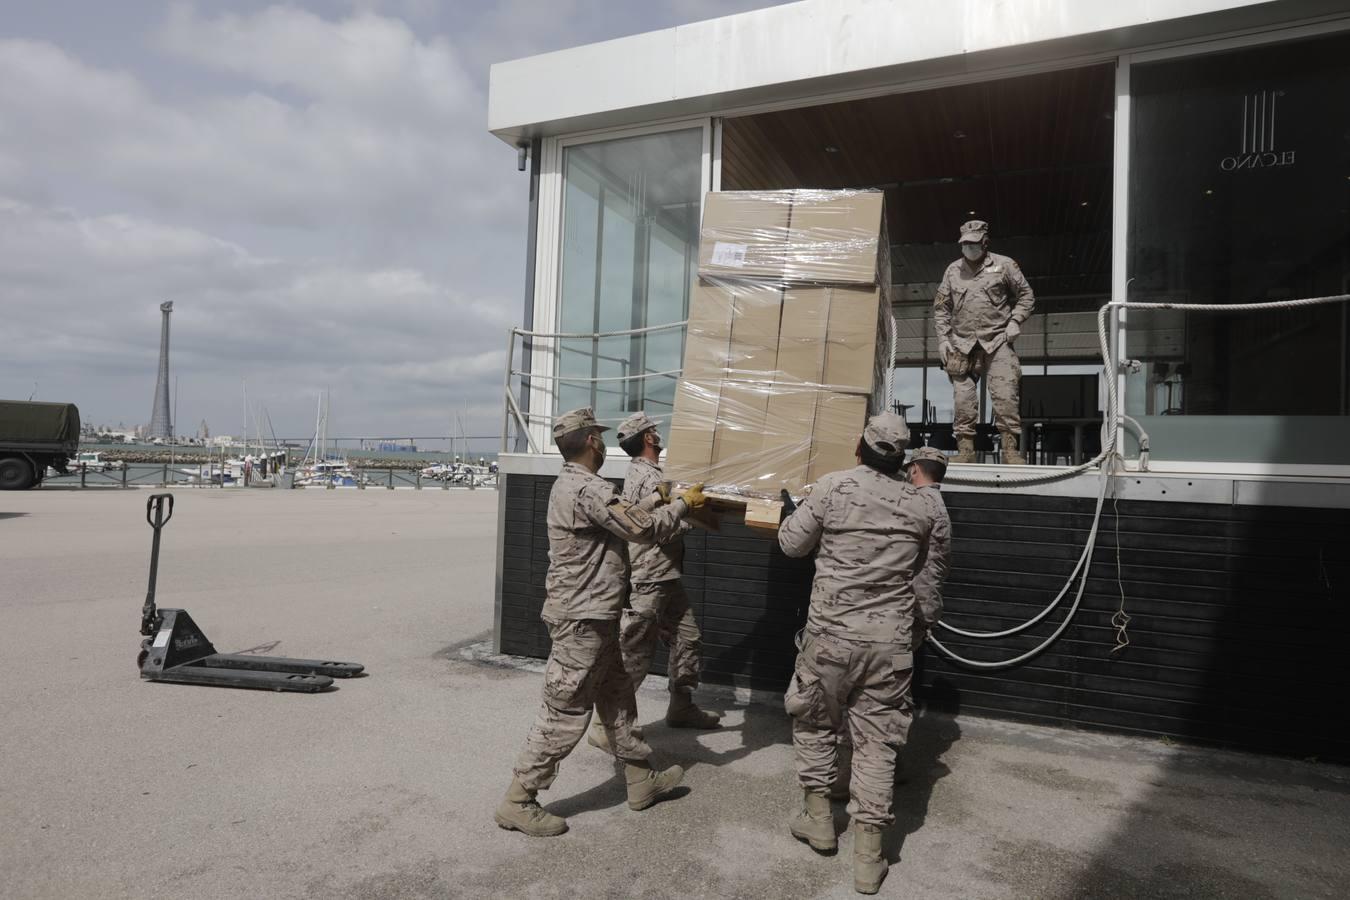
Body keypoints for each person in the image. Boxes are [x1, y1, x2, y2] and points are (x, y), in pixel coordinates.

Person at [495, 408, 707, 837]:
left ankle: (639, 780)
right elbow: (641, 529)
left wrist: (655, 498)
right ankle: (519, 800)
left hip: (597, 615)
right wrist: (684, 503)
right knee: (566, 711)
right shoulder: (587, 487)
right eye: (599, 435)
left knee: (618, 698)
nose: (601, 441)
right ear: (592, 440)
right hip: (583, 619)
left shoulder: (577, 485)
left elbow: (624, 513)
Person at [777, 412, 937, 895]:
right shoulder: (924, 505)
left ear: (859, 447)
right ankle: (869, 855)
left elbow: (791, 545)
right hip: (888, 645)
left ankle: (820, 820)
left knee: (814, 723)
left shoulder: (832, 487)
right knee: (877, 743)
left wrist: (792, 510)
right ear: (903, 459)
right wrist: (913, 633)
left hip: (829, 638)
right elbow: (925, 581)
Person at [587, 412, 720, 754]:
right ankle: (606, 724)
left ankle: (681, 705)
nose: (659, 435)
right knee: (636, 651)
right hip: (651, 576)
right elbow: (653, 530)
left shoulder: (651, 474)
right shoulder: (646, 476)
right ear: (648, 438)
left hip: (666, 575)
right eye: (654, 431)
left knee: (688, 638)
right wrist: (695, 516)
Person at [933, 219, 1035, 465]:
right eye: (965, 244)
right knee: (963, 399)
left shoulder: (1004, 265)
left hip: (997, 340)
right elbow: (941, 307)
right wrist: (943, 339)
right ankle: (966, 450)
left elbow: (1026, 296)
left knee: (1006, 395)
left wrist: (1015, 322)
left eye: (973, 243)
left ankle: (1010, 452)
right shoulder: (952, 270)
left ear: (985, 242)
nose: (968, 248)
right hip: (962, 344)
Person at [905, 447, 952, 647]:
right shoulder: (937, 503)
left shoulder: (919, 503)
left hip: (910, 608)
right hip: (923, 605)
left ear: (914, 469)